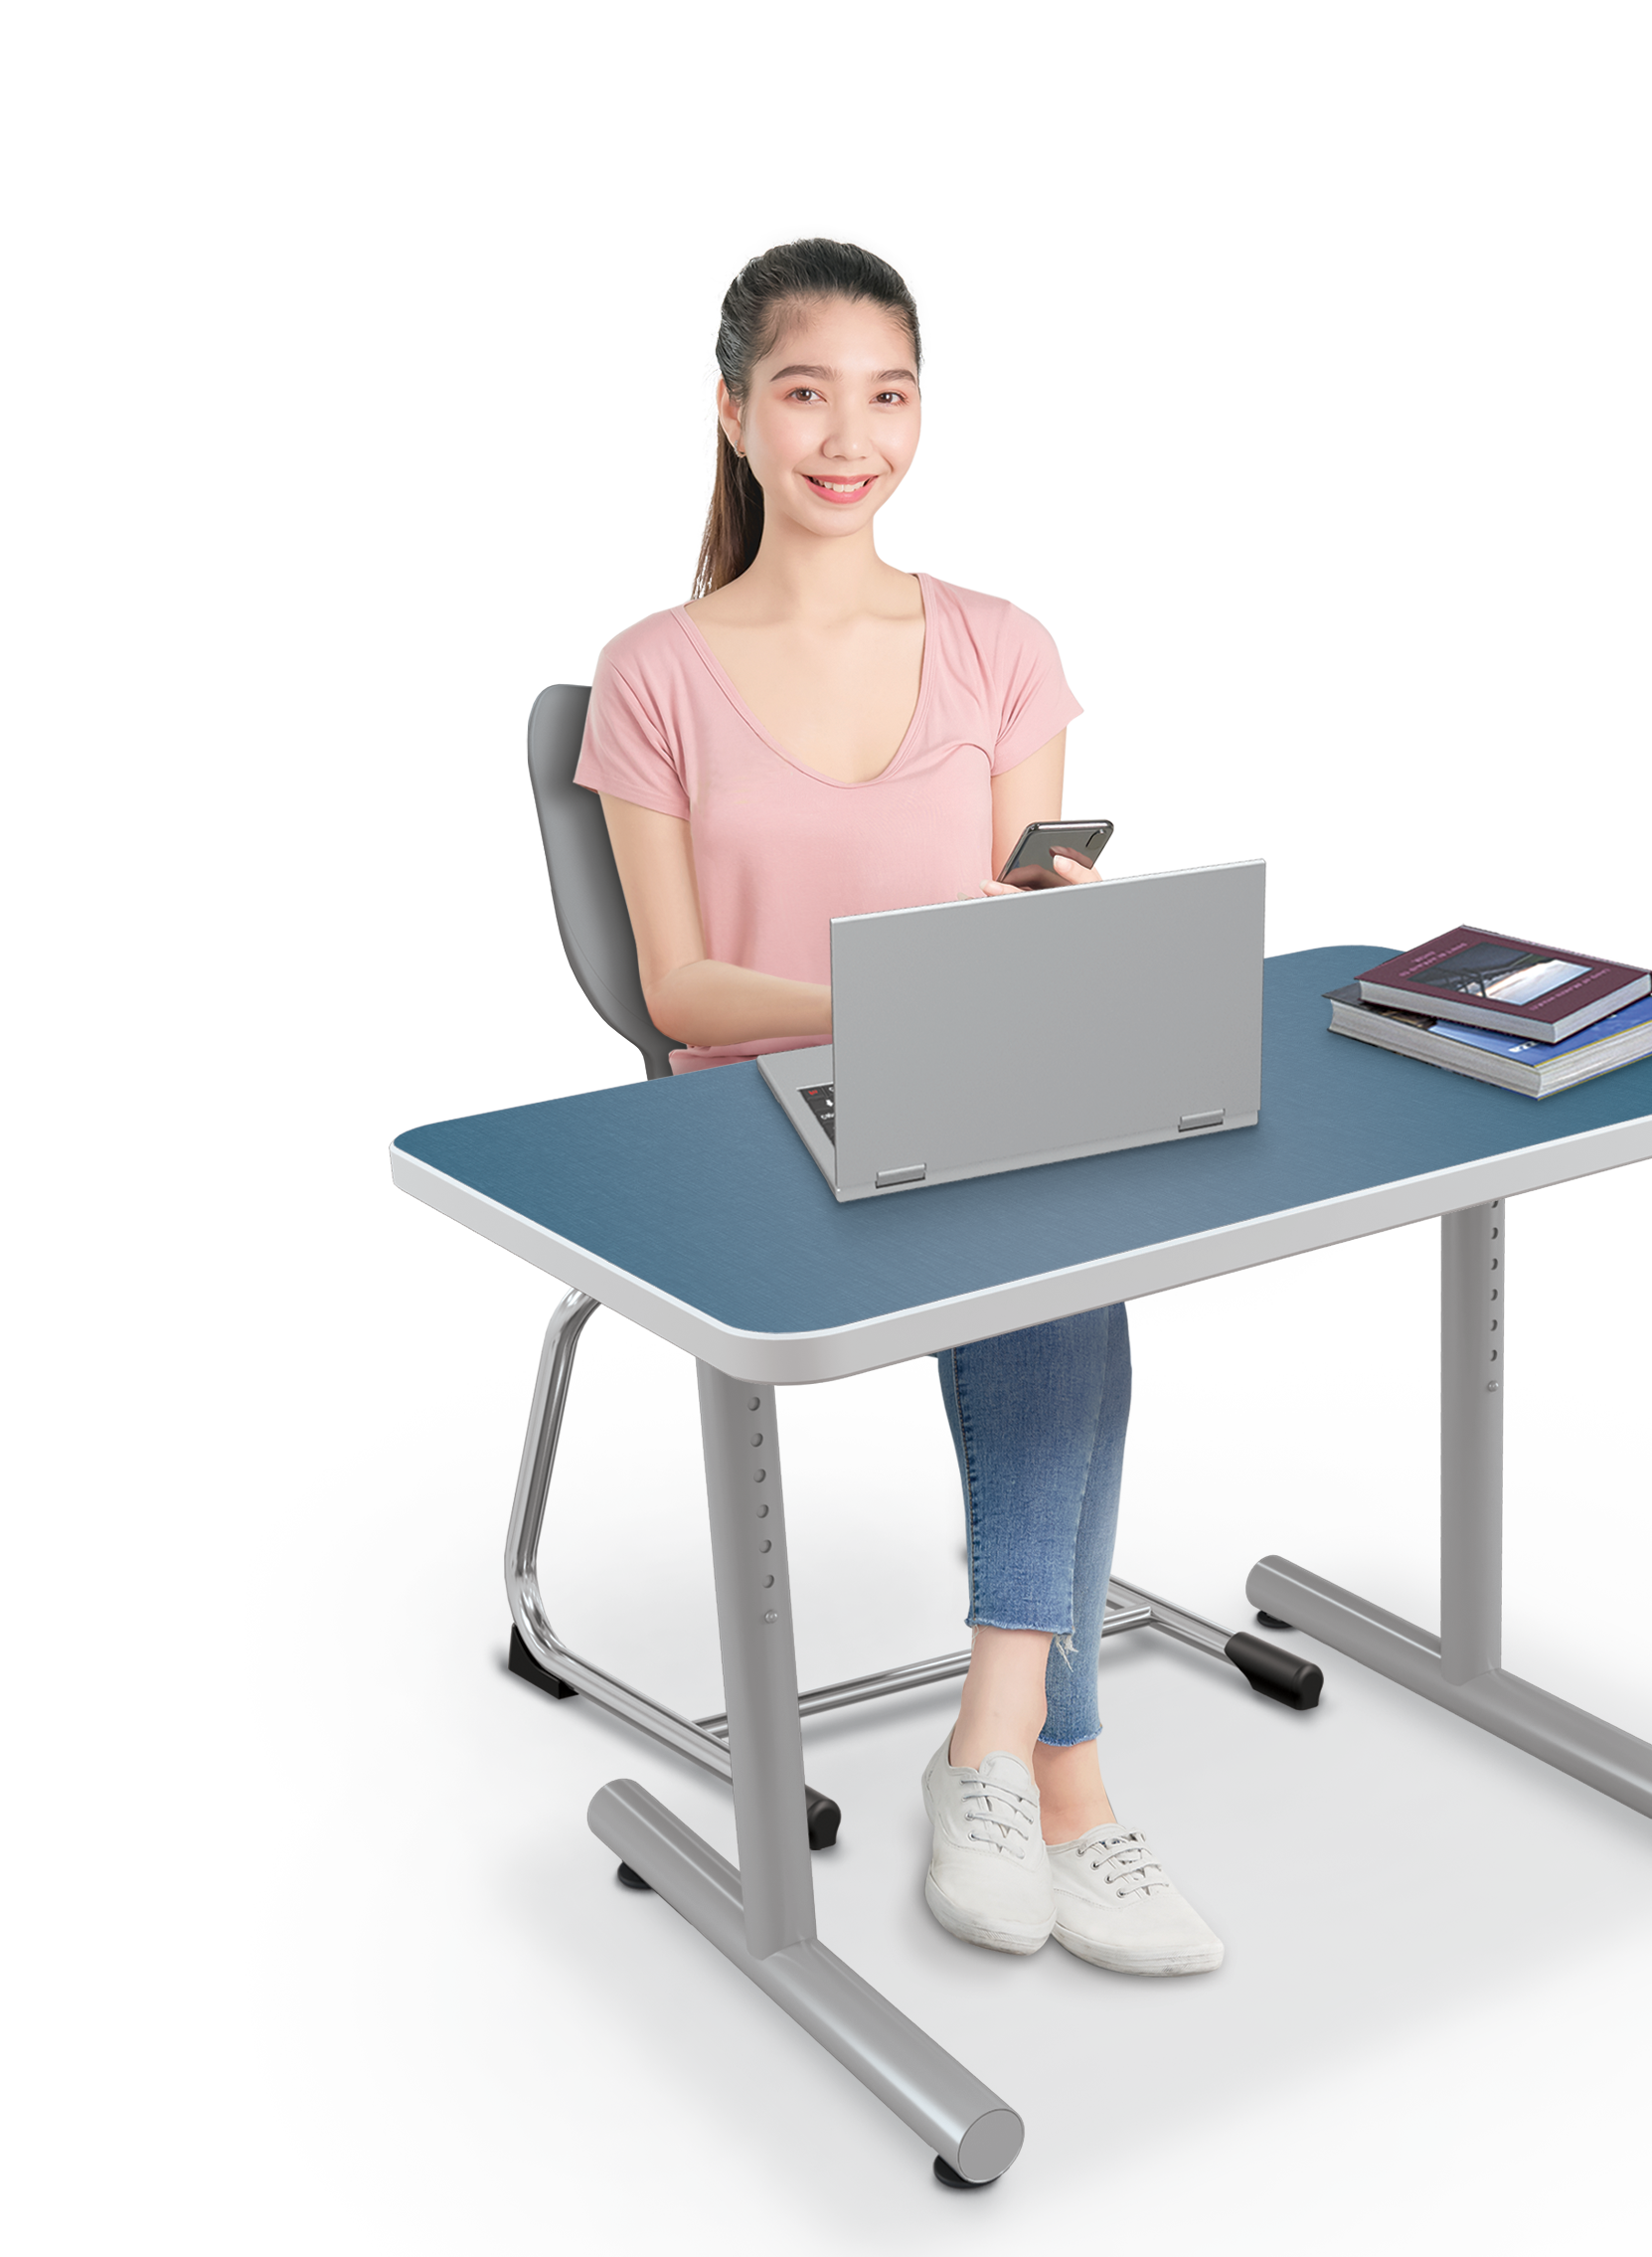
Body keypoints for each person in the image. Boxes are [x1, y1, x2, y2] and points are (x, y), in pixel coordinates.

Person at [573, 233, 1223, 1981]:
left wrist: (1057, 944)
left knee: (1068, 1226)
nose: (846, 435)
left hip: (967, 1088)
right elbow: (682, 990)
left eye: (885, 394)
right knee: (1056, 1257)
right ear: (729, 415)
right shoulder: (653, 682)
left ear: (917, 420)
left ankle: (1018, 1760)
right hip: (750, 1120)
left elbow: (1041, 894)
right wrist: (910, 997)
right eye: (802, 393)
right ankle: (1042, 1767)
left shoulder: (1003, 648)